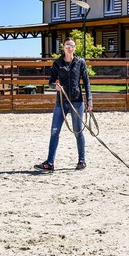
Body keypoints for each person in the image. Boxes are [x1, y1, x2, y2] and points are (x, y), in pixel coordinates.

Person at [34, 38, 93, 172]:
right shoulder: (57, 63)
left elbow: (87, 82)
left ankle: (81, 160)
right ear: (63, 47)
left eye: (72, 46)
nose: (69, 48)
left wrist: (89, 100)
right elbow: (50, 81)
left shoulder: (80, 62)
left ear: (75, 48)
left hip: (77, 102)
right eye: (67, 45)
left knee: (78, 131)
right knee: (54, 131)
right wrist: (55, 86)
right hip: (61, 102)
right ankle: (49, 163)